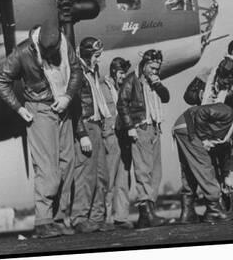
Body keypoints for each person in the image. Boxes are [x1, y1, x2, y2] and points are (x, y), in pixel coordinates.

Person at [0, 22, 82, 238]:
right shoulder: (23, 51)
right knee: (48, 169)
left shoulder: (63, 43)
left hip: (63, 108)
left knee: (67, 163)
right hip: (40, 111)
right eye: (46, 52)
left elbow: (76, 70)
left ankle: (58, 219)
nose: (51, 55)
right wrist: (19, 108)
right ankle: (43, 221)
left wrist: (67, 96)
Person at [184, 38, 233, 219]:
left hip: (221, 123)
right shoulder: (228, 71)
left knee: (225, 163)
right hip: (224, 123)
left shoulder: (216, 73)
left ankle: (226, 205)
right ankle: (231, 205)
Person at [173, 102, 233, 223]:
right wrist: (204, 139)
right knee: (205, 165)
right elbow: (202, 112)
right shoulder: (228, 113)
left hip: (183, 127)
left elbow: (225, 151)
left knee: (189, 169)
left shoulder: (230, 129)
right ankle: (213, 210)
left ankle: (187, 212)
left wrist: (227, 174)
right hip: (188, 127)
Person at [117, 49, 170, 228]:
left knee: (156, 172)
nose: (155, 71)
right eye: (152, 68)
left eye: (157, 68)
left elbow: (166, 97)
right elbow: (122, 103)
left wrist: (158, 84)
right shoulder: (132, 79)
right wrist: (130, 127)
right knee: (143, 171)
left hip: (155, 127)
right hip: (141, 127)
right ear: (145, 64)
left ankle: (146, 215)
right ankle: (145, 210)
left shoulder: (155, 81)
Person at [70, 37, 113, 233]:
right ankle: (79, 217)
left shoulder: (92, 71)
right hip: (86, 126)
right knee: (85, 175)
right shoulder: (77, 72)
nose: (98, 60)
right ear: (87, 55)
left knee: (101, 175)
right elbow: (74, 105)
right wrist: (81, 134)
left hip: (96, 124)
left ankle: (96, 217)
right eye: (96, 56)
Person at [99, 57, 134, 230]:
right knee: (109, 178)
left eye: (124, 73)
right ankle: (107, 217)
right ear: (114, 71)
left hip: (124, 136)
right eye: (121, 73)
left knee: (124, 177)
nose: (123, 76)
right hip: (111, 136)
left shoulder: (125, 88)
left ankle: (122, 216)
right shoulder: (102, 87)